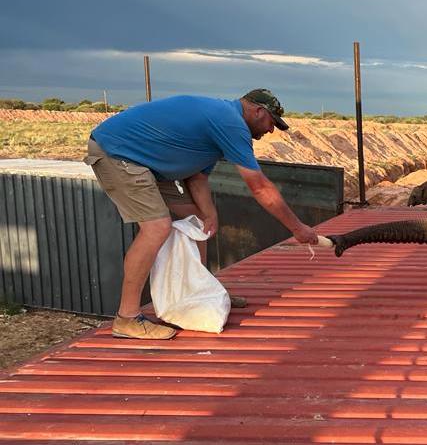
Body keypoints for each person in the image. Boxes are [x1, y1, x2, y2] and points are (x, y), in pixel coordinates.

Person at [84, 88, 318, 339]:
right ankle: (127, 317)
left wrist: (209, 214)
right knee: (157, 227)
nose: (271, 130)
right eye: (272, 123)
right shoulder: (231, 123)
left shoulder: (221, 121)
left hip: (148, 162)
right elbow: (259, 187)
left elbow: (196, 178)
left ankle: (202, 293)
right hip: (118, 153)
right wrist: (297, 228)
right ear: (258, 111)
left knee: (199, 224)